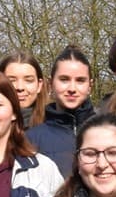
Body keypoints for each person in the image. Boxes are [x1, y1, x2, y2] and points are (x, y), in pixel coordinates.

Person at [27, 46, 94, 175]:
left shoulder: (108, 130)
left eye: (80, 80)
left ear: (90, 86)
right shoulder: (32, 138)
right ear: (51, 83)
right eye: (64, 80)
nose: (72, 88)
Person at [0, 50, 50, 131]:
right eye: (12, 81)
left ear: (39, 85)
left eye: (28, 80)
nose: (20, 87)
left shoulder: (53, 127)